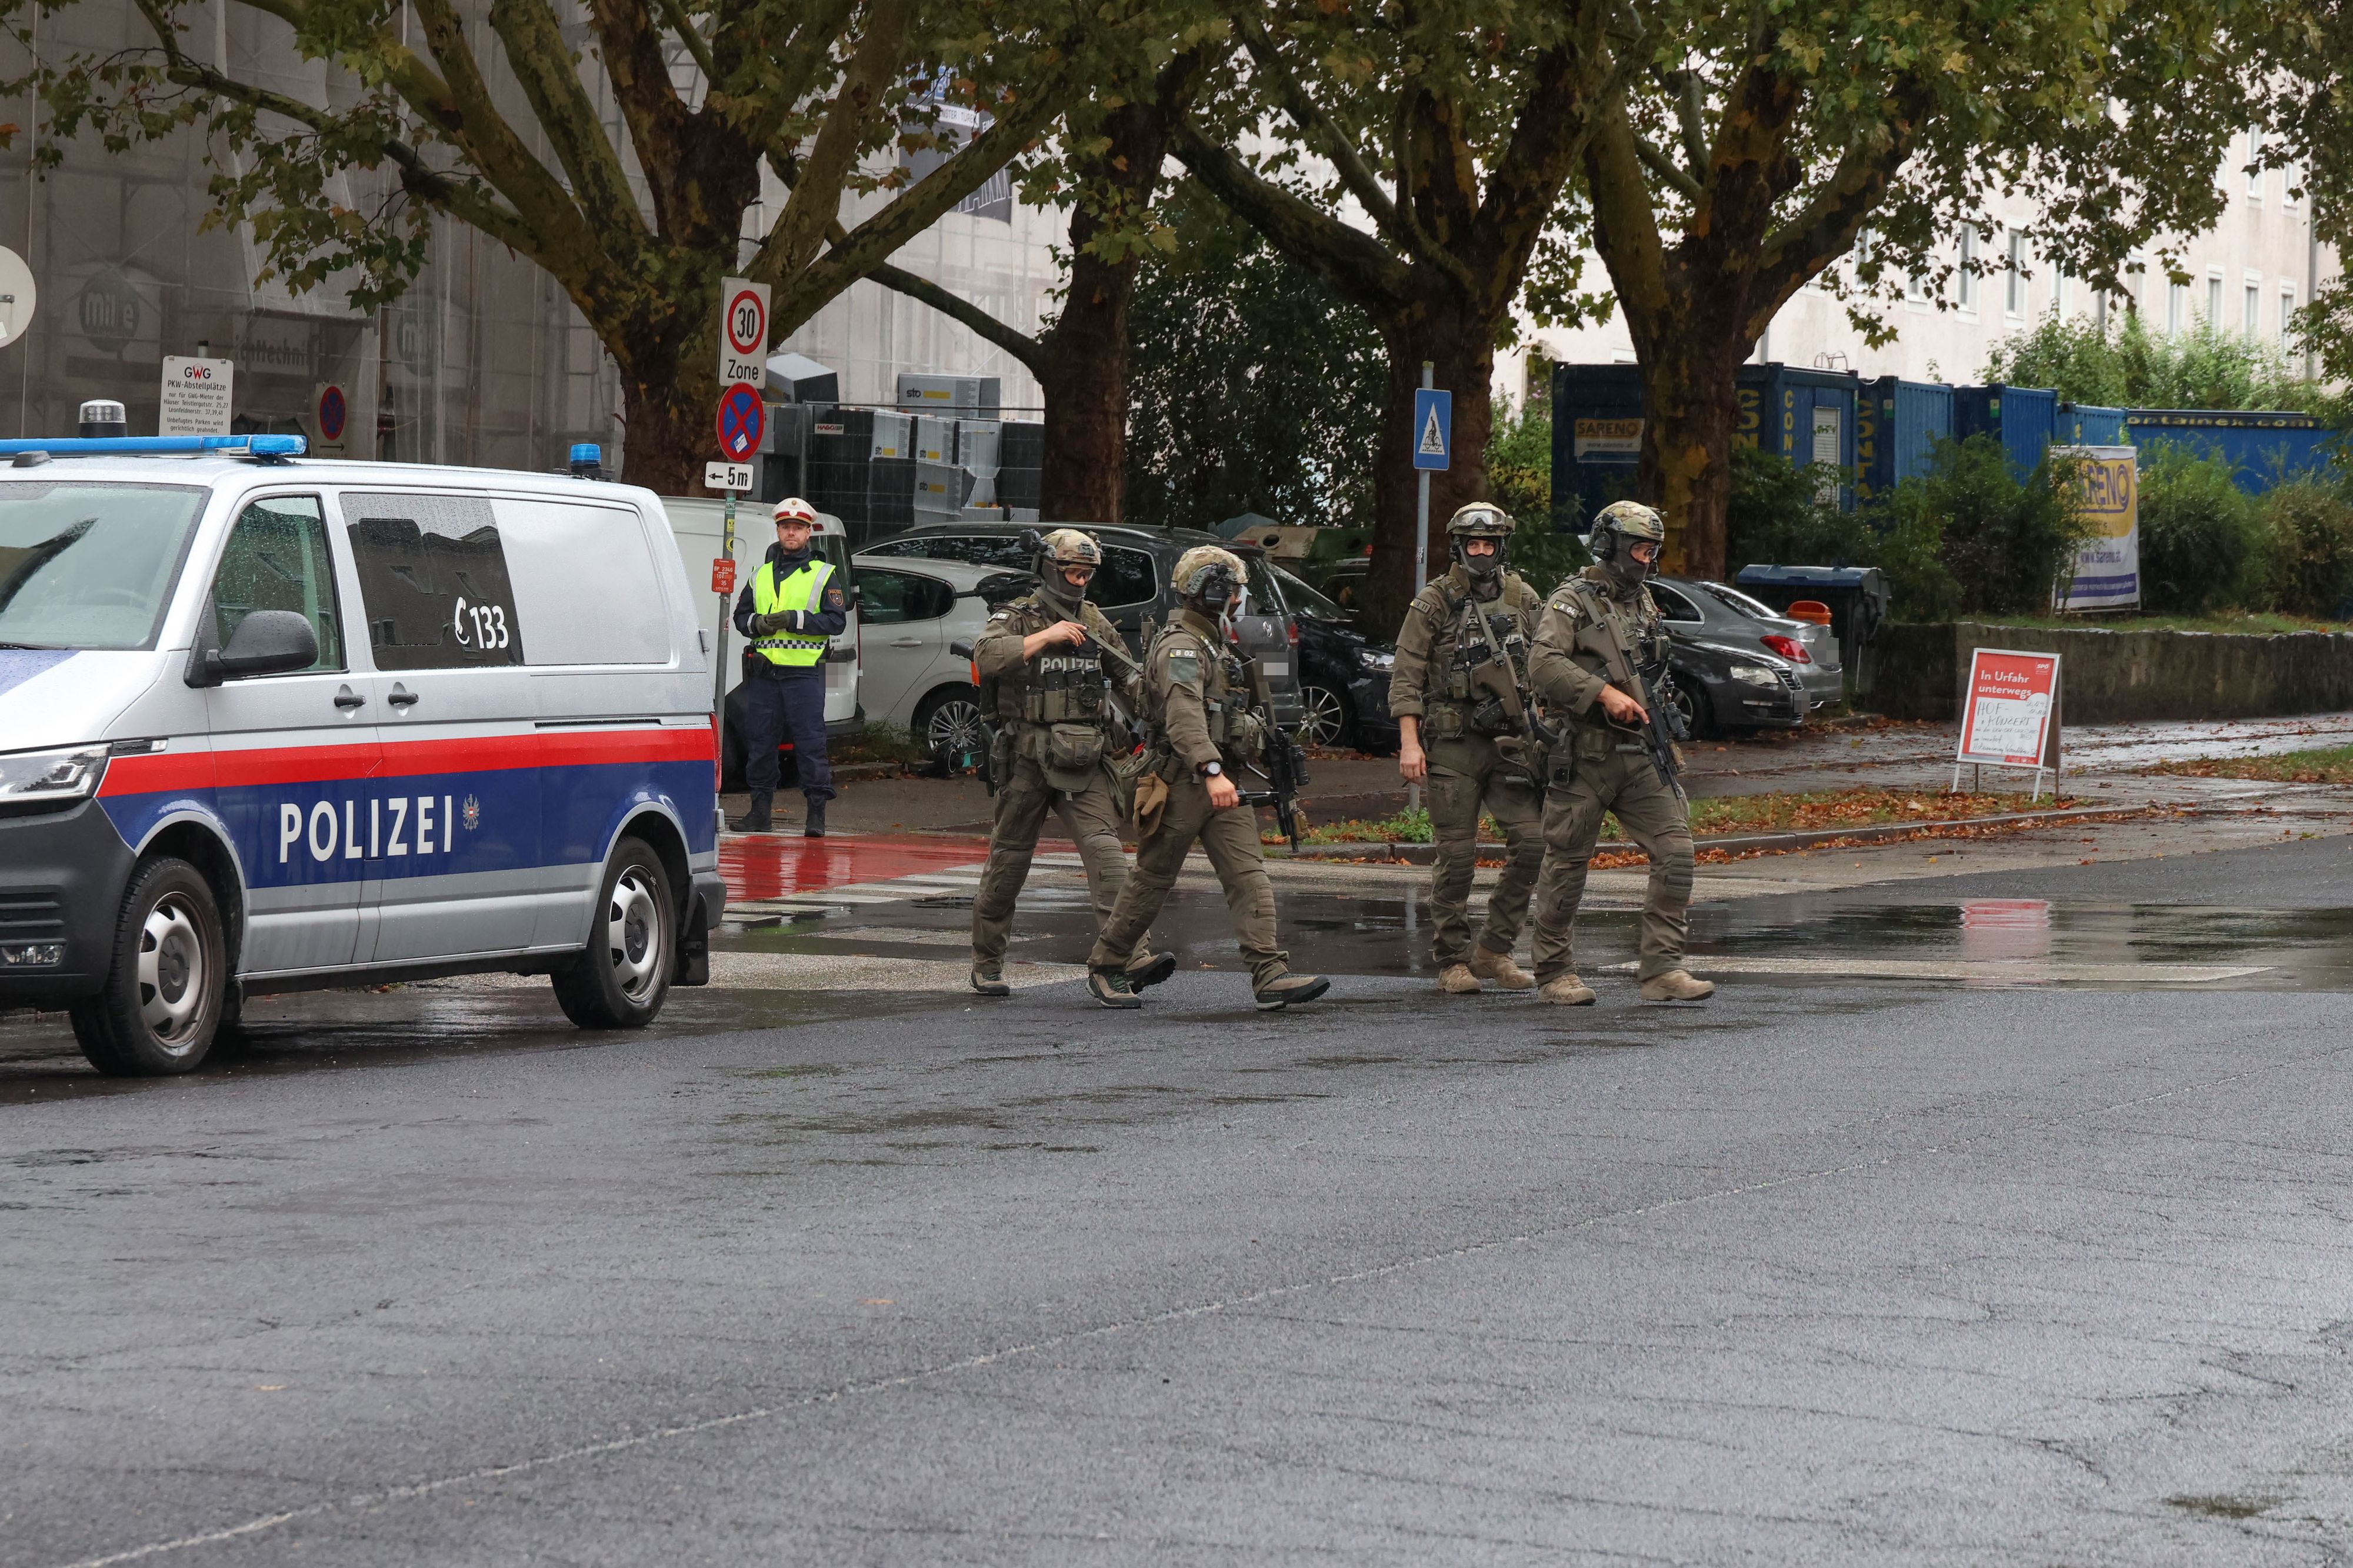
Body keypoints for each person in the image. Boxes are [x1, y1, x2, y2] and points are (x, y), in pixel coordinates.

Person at [1085, 545, 1329, 1012]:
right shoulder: (1181, 646)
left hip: (1221, 782)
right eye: (1234, 589)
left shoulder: (1217, 643)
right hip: (1183, 781)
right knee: (1153, 878)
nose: (1240, 598)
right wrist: (1211, 769)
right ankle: (1108, 963)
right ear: (1213, 591)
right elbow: (1182, 716)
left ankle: (1269, 972)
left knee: (1247, 874)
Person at [967, 529, 1176, 999]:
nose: (1081, 581)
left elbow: (1127, 679)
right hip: (1025, 760)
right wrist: (1046, 636)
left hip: (1083, 760)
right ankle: (988, 960)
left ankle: (1125, 958)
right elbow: (986, 654)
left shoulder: (1096, 622)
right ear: (1049, 568)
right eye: (1073, 572)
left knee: (1108, 858)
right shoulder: (1017, 616)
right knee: (1008, 865)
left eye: (1088, 574)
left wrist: (1169, 699)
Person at [1525, 501, 1714, 1004]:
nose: (1646, 558)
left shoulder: (1645, 601)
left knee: (1676, 853)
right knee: (1567, 864)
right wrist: (1602, 693)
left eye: (1653, 549)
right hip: (1583, 754)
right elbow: (1541, 665)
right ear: (1608, 545)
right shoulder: (1570, 601)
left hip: (1639, 753)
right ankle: (1554, 972)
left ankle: (1662, 969)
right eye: (1637, 547)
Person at [1388, 502, 1545, 995]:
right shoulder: (1435, 601)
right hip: (1453, 746)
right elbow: (1407, 673)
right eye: (1473, 544)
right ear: (1459, 546)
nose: (1481, 553)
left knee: (1534, 842)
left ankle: (1495, 948)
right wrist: (1409, 743)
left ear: (1502, 546)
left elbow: (1549, 662)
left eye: (1490, 544)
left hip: (1511, 747)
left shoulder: (1523, 597)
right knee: (1456, 857)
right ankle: (1452, 959)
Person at [728, 497, 847, 837]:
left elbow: (835, 621)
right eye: (785, 527)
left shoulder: (825, 575)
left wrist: (794, 619)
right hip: (765, 675)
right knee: (760, 744)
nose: (791, 533)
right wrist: (758, 624)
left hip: (803, 674)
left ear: (809, 533)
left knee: (810, 744)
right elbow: (740, 618)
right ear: (778, 530)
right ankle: (760, 812)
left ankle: (816, 816)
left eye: (798, 528)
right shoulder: (760, 574)